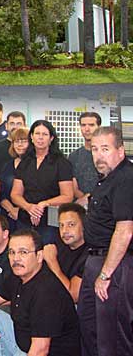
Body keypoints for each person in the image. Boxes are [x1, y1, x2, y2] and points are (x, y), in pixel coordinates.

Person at [0, 229, 80, 356]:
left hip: (44, 352)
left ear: (39, 256)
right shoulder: (18, 275)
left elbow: (40, 350)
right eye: (12, 252)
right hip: (25, 346)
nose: (16, 258)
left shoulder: (47, 292)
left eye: (23, 252)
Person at [79, 126, 133, 356]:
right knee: (90, 326)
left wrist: (105, 274)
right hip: (95, 260)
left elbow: (125, 230)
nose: (99, 155)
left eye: (105, 149)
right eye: (94, 149)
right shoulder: (106, 179)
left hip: (114, 265)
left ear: (120, 151)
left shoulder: (126, 179)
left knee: (111, 337)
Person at [10, 120, 74, 244]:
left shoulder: (61, 163)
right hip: (25, 218)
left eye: (44, 134)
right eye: (37, 134)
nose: (40, 138)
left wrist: (44, 204)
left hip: (51, 219)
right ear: (32, 137)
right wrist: (29, 207)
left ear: (51, 138)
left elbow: (68, 196)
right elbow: (15, 194)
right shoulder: (25, 162)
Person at [43, 203, 88, 302]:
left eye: (71, 225)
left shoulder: (90, 255)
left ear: (84, 226)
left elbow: (73, 296)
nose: (64, 231)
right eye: (61, 225)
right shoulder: (59, 243)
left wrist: (52, 262)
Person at [69, 112, 101, 205]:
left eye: (91, 125)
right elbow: (73, 185)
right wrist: (83, 199)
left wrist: (90, 198)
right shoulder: (73, 156)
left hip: (103, 205)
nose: (87, 129)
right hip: (79, 206)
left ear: (99, 127)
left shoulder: (106, 155)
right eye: (83, 125)